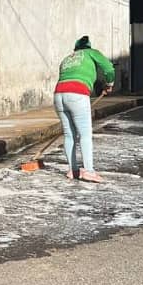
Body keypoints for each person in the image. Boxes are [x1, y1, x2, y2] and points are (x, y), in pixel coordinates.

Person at [54, 36, 115, 183]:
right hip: (77, 94)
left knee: (69, 135)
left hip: (58, 95)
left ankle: (73, 170)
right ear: (88, 46)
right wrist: (110, 84)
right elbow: (108, 68)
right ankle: (89, 171)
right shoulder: (91, 52)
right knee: (85, 134)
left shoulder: (67, 59)